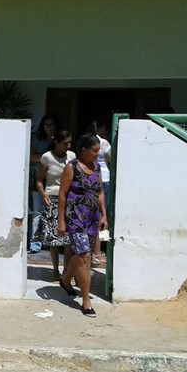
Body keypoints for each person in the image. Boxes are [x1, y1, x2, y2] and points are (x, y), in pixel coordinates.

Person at [57, 133, 108, 318]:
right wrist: (60, 221)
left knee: (80, 256)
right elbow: (62, 195)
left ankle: (65, 280)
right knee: (85, 257)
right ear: (84, 150)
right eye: (94, 151)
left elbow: (100, 191)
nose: (97, 154)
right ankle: (86, 302)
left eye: (98, 151)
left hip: (92, 219)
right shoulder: (72, 168)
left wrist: (104, 214)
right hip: (75, 217)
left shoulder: (97, 168)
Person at [34, 130, 75, 282]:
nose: (68, 146)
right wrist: (43, 194)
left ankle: (67, 270)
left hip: (69, 199)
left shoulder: (72, 157)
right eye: (65, 143)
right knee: (54, 239)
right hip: (52, 199)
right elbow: (39, 180)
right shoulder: (47, 157)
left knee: (69, 239)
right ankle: (55, 270)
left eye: (69, 142)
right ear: (57, 142)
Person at [28, 114, 61, 253]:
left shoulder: (60, 140)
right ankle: (35, 245)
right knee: (37, 213)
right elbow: (30, 157)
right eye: (47, 125)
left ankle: (53, 244)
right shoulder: (37, 139)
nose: (50, 128)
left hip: (56, 182)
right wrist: (48, 158)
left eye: (52, 124)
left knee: (56, 213)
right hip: (38, 180)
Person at [86, 119, 111, 267]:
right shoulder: (104, 143)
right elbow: (112, 159)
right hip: (105, 181)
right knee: (102, 216)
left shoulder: (86, 142)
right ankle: (99, 252)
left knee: (92, 215)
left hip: (90, 180)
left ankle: (94, 251)